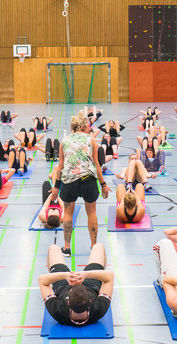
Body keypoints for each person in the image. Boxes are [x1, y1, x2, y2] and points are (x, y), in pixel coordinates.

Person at [50, 113, 111, 255]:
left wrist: (56, 187)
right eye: (88, 126)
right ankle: (94, 246)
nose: (89, 128)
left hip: (69, 181)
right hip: (88, 180)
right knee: (92, 212)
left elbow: (60, 166)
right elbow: (97, 165)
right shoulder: (91, 140)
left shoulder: (64, 140)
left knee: (68, 213)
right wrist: (103, 184)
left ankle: (66, 247)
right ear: (83, 126)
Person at [38, 243, 113, 325]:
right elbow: (109, 276)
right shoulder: (98, 309)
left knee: (53, 248)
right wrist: (86, 275)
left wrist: (65, 275)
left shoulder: (58, 311)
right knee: (98, 246)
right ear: (90, 301)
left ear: (68, 302)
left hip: (62, 286)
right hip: (91, 285)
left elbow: (42, 280)